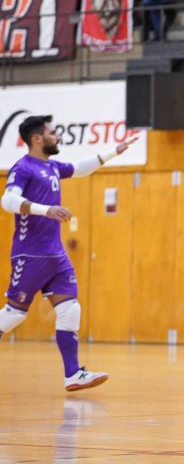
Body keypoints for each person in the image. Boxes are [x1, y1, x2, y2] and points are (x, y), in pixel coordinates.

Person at [0, 115, 137, 390]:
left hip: (56, 255)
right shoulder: (23, 168)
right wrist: (46, 210)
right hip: (31, 255)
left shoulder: (51, 167)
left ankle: (73, 374)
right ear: (37, 139)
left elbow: (79, 168)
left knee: (70, 310)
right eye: (53, 133)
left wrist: (114, 151)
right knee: (15, 314)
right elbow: (8, 201)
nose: (58, 136)